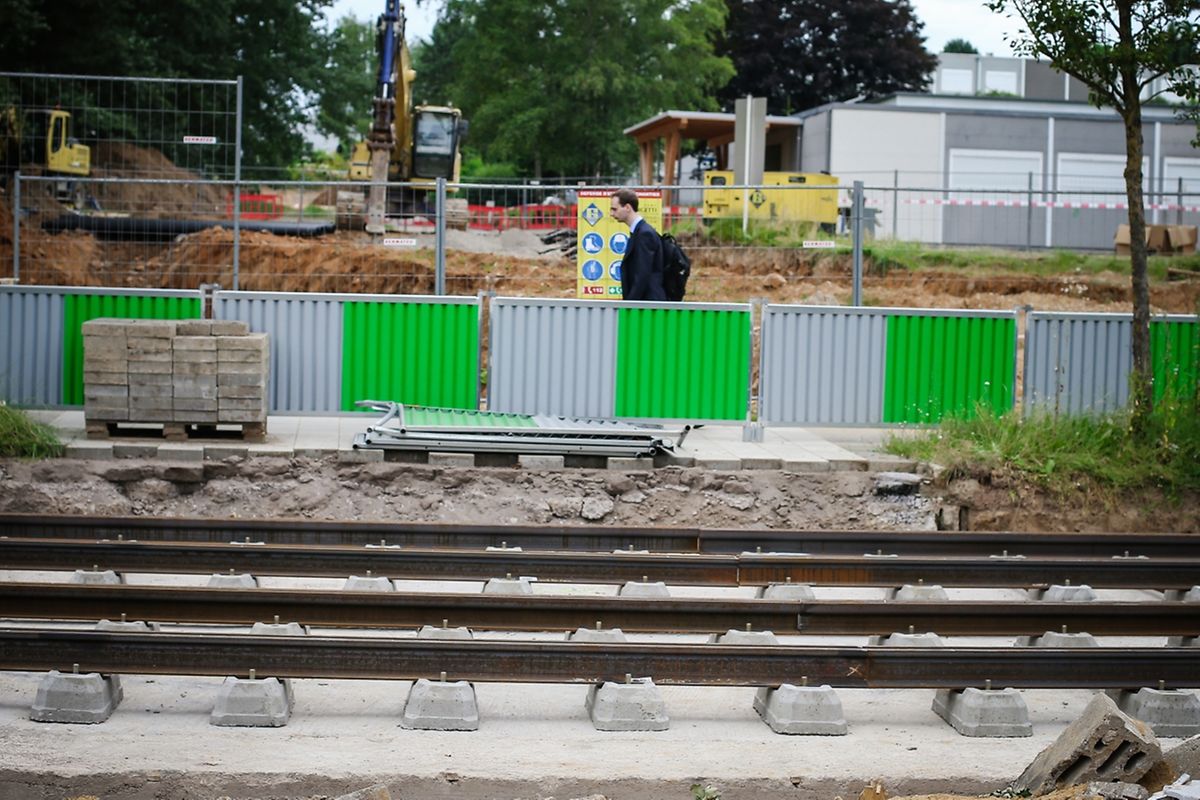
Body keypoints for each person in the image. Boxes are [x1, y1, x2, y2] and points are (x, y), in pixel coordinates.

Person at [609, 188, 666, 301]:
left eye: (615, 209)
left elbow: (642, 274)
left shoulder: (644, 234)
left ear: (627, 207)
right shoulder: (640, 232)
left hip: (647, 302)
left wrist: (631, 303)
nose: (611, 214)